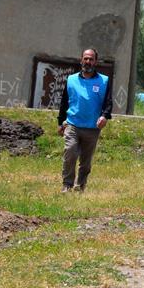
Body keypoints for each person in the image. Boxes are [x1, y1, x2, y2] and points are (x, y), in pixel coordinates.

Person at [57, 48, 112, 192]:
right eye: (86, 58)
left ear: (95, 62)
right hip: (72, 125)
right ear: (81, 60)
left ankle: (80, 186)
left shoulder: (104, 81)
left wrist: (104, 116)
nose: (88, 61)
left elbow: (108, 103)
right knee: (70, 152)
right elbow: (64, 103)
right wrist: (60, 122)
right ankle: (67, 185)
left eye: (91, 59)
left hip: (92, 127)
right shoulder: (71, 79)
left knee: (85, 162)